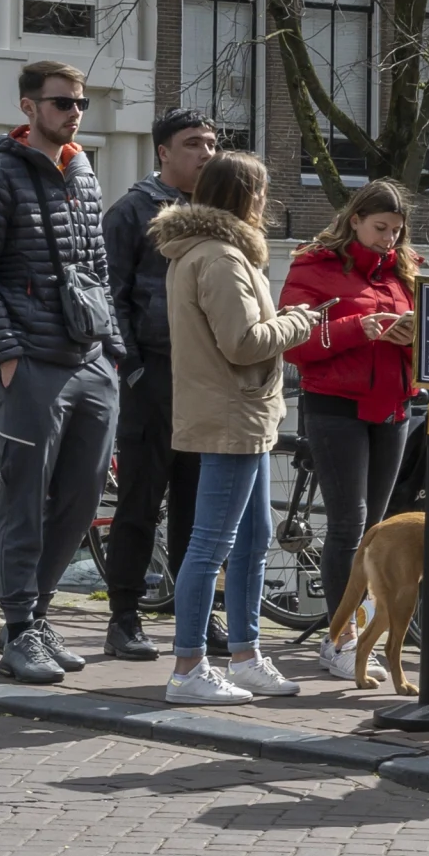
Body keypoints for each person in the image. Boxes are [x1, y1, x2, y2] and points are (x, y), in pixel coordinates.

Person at [0, 59, 123, 686]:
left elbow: (99, 268)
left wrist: (113, 348)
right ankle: (18, 626)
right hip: (29, 364)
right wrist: (5, 354)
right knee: (22, 498)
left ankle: (38, 618)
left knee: (80, 500)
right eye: (61, 102)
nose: (73, 112)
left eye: (79, 103)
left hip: (89, 360)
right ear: (27, 108)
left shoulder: (83, 169)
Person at [153, 151, 327, 706]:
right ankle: (187, 667)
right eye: (262, 193)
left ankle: (246, 654)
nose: (266, 204)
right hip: (232, 412)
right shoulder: (221, 258)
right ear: (245, 197)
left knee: (251, 540)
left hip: (240, 411)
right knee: (210, 544)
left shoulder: (208, 252)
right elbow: (243, 342)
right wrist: (300, 320)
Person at [276, 177, 421, 681]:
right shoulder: (313, 266)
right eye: (381, 228)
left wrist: (409, 337)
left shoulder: (405, 270)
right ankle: (339, 640)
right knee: (347, 525)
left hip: (393, 409)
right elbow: (293, 343)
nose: (389, 240)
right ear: (354, 219)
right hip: (335, 406)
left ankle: (361, 634)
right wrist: (354, 328)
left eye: (397, 231)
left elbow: (425, 341)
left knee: (376, 532)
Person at [97, 108, 220, 661]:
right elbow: (110, 295)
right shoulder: (130, 212)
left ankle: (194, 617)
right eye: (194, 143)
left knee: (199, 509)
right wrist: (133, 367)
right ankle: (124, 618)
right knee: (140, 503)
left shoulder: (219, 214)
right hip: (153, 376)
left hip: (206, 381)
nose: (207, 153)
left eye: (213, 143)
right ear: (163, 152)